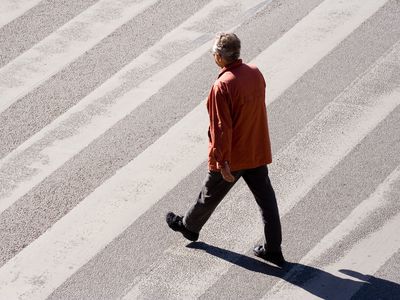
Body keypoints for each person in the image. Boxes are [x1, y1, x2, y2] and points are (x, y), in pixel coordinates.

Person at [166, 32, 285, 267]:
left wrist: (222, 162)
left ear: (220, 57)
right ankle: (273, 249)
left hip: (234, 156)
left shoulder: (222, 85)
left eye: (213, 53)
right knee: (267, 201)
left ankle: (189, 227)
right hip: (256, 149)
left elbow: (221, 128)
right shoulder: (255, 73)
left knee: (209, 194)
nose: (213, 56)